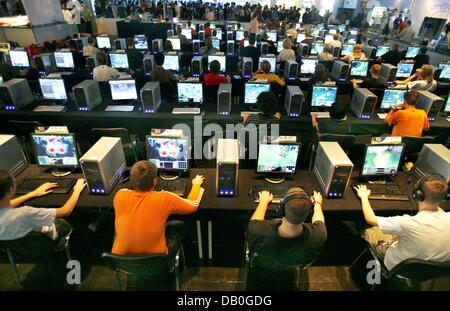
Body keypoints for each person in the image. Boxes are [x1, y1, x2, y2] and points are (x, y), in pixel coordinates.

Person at [354, 175, 450, 271]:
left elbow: (370, 219)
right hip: (432, 271)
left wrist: (363, 196)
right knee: (399, 235)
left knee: (367, 227)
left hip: (398, 267)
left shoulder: (407, 223)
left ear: (417, 195)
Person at [112, 161, 205, 257]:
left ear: (132, 180)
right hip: (156, 261)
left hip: (122, 261)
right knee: (178, 225)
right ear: (154, 181)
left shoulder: (120, 195)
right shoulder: (164, 198)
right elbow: (193, 206)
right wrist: (196, 185)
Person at [246, 187, 326, 276]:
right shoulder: (320, 234)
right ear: (309, 212)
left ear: (281, 210)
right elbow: (319, 220)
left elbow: (255, 221)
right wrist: (318, 203)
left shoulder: (257, 231)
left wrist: (263, 202)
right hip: (294, 264)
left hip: (263, 263)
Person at [0, 170, 87, 241]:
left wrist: (33, 194)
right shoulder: (25, 213)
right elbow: (66, 211)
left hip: (14, 246)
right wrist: (77, 190)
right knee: (75, 215)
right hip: (45, 240)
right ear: (11, 190)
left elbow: (8, 204)